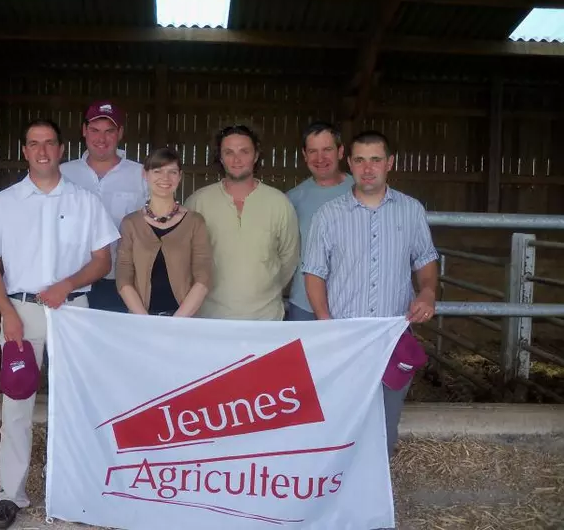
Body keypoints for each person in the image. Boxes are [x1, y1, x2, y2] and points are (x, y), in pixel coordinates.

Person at [0, 118, 119, 529]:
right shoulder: (6, 202)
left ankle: (78, 490)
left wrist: (67, 284)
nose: (42, 151)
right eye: (33, 143)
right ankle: (10, 494)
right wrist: (7, 313)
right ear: (24, 151)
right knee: (16, 403)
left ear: (60, 149)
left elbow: (102, 260)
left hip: (74, 312)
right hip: (22, 312)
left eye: (49, 143)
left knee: (77, 402)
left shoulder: (85, 201)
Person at [302, 129, 438, 457]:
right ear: (348, 162)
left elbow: (425, 259)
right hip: (345, 339)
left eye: (375, 160)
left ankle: (374, 498)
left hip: (392, 336)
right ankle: (337, 496)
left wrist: (428, 292)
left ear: (390, 163)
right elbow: (314, 272)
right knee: (339, 424)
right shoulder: (329, 215)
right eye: (360, 160)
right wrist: (324, 319)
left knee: (384, 426)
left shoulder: (411, 210)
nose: (367, 168)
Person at [185, 124, 299, 320]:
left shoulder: (279, 203)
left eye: (244, 151)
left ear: (256, 156)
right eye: (228, 152)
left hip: (265, 318)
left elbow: (289, 259)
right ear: (220, 158)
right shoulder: (198, 202)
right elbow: (185, 259)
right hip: (209, 319)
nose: (236, 159)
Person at [59, 100, 146, 313]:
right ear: (84, 131)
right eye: (95, 130)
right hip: (71, 280)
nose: (101, 138)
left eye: (110, 131)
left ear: (121, 133)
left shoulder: (141, 174)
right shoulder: (63, 174)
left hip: (121, 281)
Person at [115, 147, 212, 316]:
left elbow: (203, 277)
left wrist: (175, 322)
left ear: (180, 176)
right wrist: (145, 321)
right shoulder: (131, 223)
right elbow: (124, 277)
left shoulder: (195, 222)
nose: (165, 178)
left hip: (183, 322)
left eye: (172, 172)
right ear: (145, 175)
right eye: (157, 171)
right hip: (141, 321)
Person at [286, 122, 354, 321]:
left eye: (327, 150)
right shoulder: (292, 199)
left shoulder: (360, 192)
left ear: (340, 152)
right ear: (304, 155)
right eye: (313, 151)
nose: (320, 158)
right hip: (304, 304)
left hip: (350, 303)